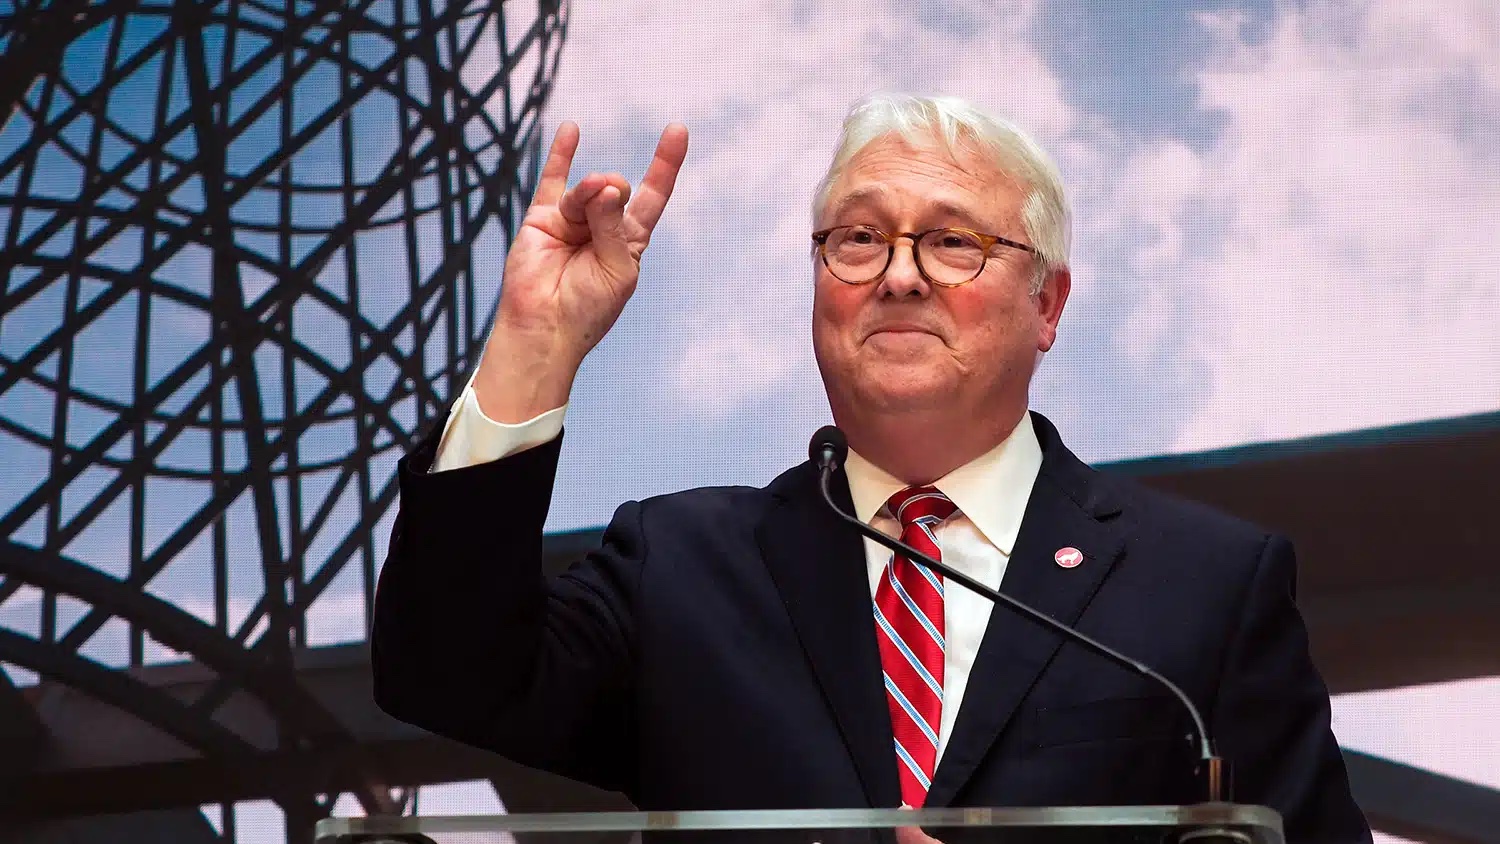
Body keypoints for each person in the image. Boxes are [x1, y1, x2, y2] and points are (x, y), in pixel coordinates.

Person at [371, 93, 1372, 842]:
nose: (898, 274)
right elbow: (445, 675)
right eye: (858, 238)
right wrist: (533, 347)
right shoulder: (681, 563)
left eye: (951, 241)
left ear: (1049, 304)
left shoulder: (1204, 584)